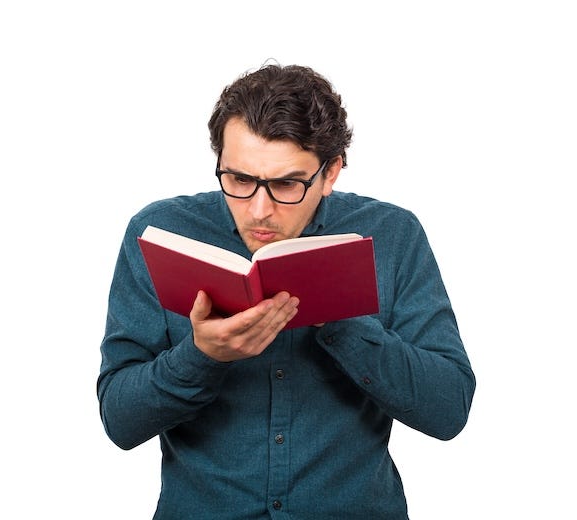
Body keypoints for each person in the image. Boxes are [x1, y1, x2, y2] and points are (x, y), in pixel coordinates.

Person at [97, 63, 475, 519]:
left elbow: (448, 408)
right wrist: (201, 356)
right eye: (238, 180)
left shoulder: (392, 236)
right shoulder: (160, 234)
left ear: (331, 172)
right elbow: (119, 421)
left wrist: (339, 319)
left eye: (286, 185)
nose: (259, 210)